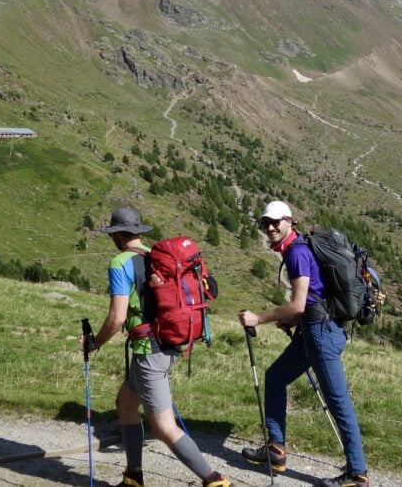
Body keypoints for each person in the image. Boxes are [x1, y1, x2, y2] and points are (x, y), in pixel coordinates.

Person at [82, 206, 236, 487]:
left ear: (116, 235)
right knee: (126, 405)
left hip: (149, 352)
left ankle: (215, 481)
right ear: (138, 232)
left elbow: (117, 317)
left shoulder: (120, 262)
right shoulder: (155, 256)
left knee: (164, 426)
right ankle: (133, 477)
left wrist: (94, 343)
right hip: (167, 345)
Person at [238, 200, 368, 487]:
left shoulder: (297, 252)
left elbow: (297, 304)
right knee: (275, 377)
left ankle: (357, 474)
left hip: (321, 335)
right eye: (266, 223)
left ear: (289, 221)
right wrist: (294, 321)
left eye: (275, 222)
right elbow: (309, 301)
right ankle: (275, 450)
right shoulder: (299, 249)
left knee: (338, 402)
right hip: (312, 331)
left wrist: (258, 318)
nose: (270, 227)